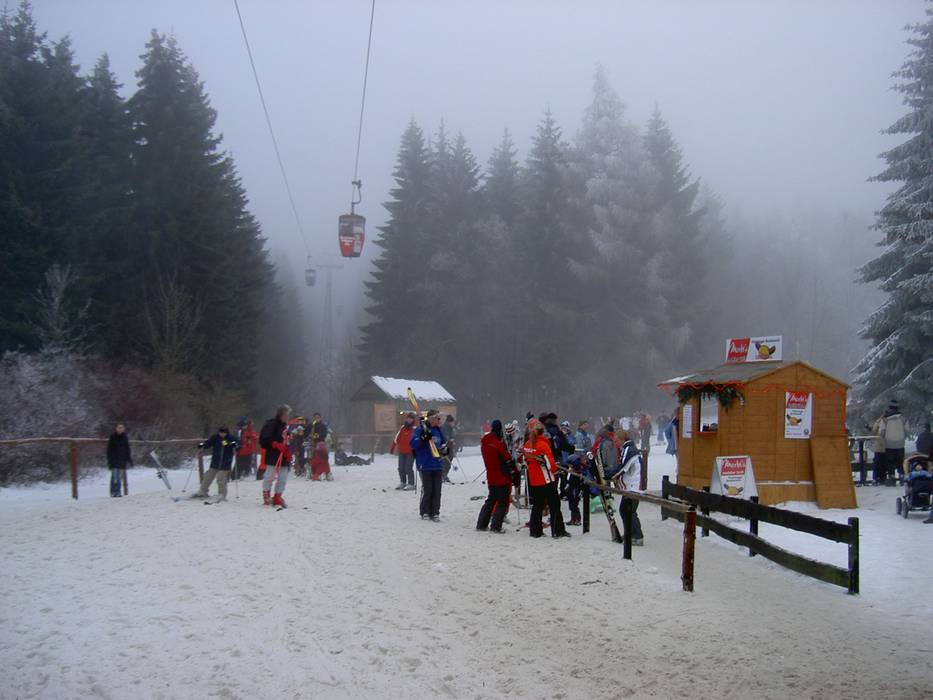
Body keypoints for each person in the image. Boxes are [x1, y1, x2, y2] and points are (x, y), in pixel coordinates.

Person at [522, 418, 570, 539]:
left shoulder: (527, 445)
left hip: (534, 480)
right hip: (547, 479)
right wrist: (556, 470)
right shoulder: (543, 444)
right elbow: (551, 465)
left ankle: (535, 531)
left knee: (537, 506)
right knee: (554, 505)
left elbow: (525, 461)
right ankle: (558, 531)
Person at [476, 420, 516, 533]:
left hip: (491, 475)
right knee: (502, 502)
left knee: (491, 501)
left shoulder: (485, 442)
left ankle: (481, 524)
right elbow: (507, 457)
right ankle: (496, 526)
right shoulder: (497, 443)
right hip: (501, 476)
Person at [412, 409, 446, 521]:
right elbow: (413, 444)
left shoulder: (438, 430)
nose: (439, 420)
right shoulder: (421, 429)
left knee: (437, 490)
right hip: (425, 464)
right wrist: (422, 438)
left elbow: (443, 443)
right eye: (437, 418)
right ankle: (425, 511)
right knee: (428, 489)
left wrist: (445, 450)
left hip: (437, 464)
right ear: (431, 418)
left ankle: (435, 512)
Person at [192, 427, 238, 501]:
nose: (221, 434)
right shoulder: (215, 437)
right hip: (215, 461)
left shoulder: (231, 438)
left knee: (221, 477)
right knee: (208, 476)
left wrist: (231, 445)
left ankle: (222, 494)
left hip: (225, 461)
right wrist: (202, 445)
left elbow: (237, 445)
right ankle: (202, 491)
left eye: (223, 433)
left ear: (226, 433)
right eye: (220, 433)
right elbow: (208, 443)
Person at [615, 431, 644, 545]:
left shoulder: (629, 450)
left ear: (622, 439)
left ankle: (637, 535)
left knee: (629, 511)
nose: (616, 443)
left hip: (633, 486)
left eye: (617, 440)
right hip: (630, 485)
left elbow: (623, 467)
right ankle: (629, 533)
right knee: (624, 510)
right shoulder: (627, 449)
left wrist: (611, 475)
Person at [260, 405, 292, 507]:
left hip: (283, 455)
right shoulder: (272, 424)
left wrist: (288, 452)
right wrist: (275, 444)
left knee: (283, 477)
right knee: (270, 475)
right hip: (273, 454)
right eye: (286, 415)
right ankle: (266, 494)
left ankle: (278, 496)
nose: (287, 417)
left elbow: (287, 441)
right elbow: (264, 438)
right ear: (281, 415)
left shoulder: (285, 427)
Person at [881, 400, 907, 483]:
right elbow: (907, 429)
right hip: (900, 443)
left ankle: (891, 477)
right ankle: (902, 475)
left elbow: (882, 431)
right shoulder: (903, 418)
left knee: (890, 462)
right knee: (900, 461)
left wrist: (884, 437)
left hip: (889, 443)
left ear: (889, 407)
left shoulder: (885, 419)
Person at [390, 412, 417, 490]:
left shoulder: (415, 429)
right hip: (402, 451)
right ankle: (403, 482)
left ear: (413, 420)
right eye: (408, 418)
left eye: (411, 419)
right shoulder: (402, 428)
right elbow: (396, 439)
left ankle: (411, 483)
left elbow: (418, 440)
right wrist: (392, 448)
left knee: (408, 468)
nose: (409, 420)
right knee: (401, 468)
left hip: (411, 452)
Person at [106, 423, 133, 497]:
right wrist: (110, 460)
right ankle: (113, 492)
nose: (120, 429)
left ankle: (118, 491)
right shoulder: (113, 437)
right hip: (114, 460)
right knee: (114, 477)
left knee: (119, 478)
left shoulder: (125, 438)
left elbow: (127, 449)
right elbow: (109, 450)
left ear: (123, 429)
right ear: (116, 429)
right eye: (119, 428)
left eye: (121, 428)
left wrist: (129, 459)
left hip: (122, 460)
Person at [870, 414, 887, 484]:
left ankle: (878, 478)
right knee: (881, 462)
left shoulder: (879, 422)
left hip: (881, 445)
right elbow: (874, 432)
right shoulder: (880, 422)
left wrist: (870, 429)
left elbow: (873, 432)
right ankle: (880, 478)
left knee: (879, 462)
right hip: (883, 445)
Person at [441, 414, 458, 483]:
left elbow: (453, 435)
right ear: (449, 422)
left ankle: (444, 475)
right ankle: (442, 475)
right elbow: (445, 437)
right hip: (445, 447)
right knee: (446, 461)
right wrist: (450, 440)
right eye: (452, 422)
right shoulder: (445, 427)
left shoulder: (451, 427)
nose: (453, 424)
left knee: (449, 461)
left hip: (450, 446)